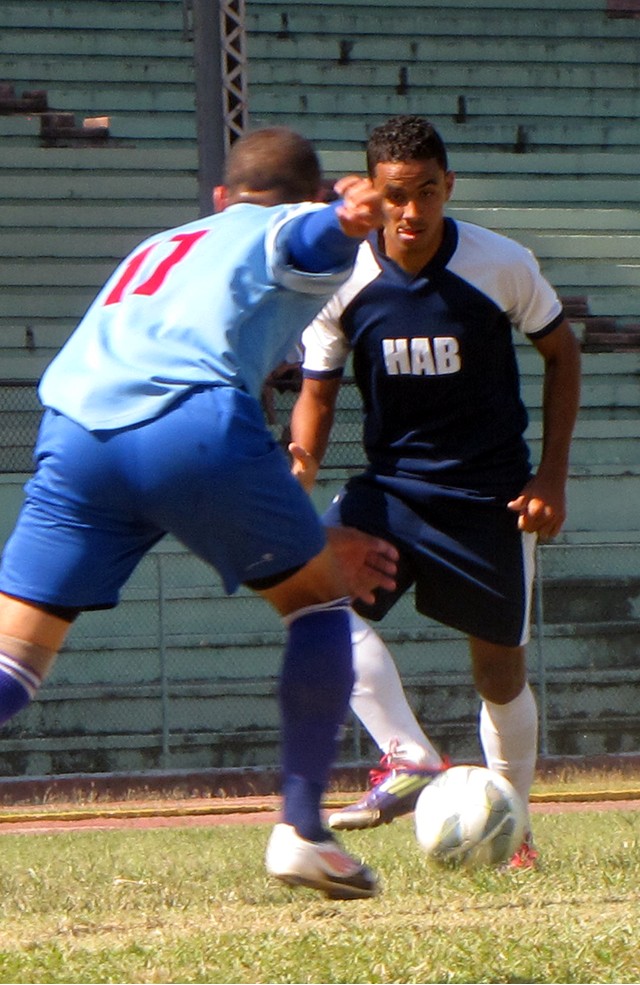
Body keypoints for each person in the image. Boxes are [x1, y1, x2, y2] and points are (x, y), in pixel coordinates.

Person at [0, 126, 401, 900]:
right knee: (317, 600)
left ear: (220, 197)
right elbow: (304, 236)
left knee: (15, 663)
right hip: (188, 417)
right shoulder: (288, 224)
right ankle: (301, 831)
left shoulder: (164, 242)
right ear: (310, 192)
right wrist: (348, 219)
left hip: (74, 431)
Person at [289, 115, 581, 866]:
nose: (412, 211)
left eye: (427, 192)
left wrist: (550, 475)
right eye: (395, 195)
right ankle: (406, 752)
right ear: (374, 197)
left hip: (489, 497)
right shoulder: (343, 279)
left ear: (448, 187)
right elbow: (317, 391)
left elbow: (562, 353)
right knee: (308, 594)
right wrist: (301, 470)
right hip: (389, 492)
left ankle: (514, 830)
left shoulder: (501, 263)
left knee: (499, 674)